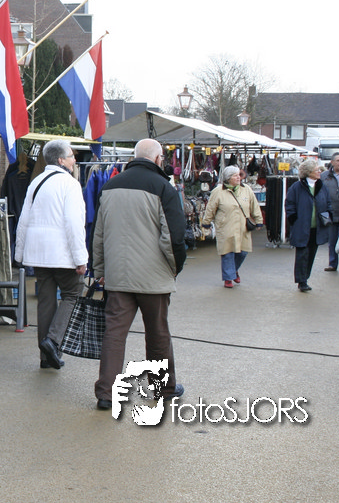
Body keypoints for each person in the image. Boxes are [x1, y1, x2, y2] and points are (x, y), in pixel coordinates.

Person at [93, 138, 186, 410]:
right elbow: (173, 236)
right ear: (157, 159)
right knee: (157, 333)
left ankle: (106, 393)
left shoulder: (110, 186)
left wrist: (100, 269)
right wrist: (174, 267)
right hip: (153, 277)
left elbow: (99, 233)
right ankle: (162, 388)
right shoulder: (164, 188)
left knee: (114, 334)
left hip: (118, 275)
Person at [14, 139, 87, 370]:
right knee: (73, 294)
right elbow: (74, 223)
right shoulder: (70, 184)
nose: (74, 160)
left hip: (38, 253)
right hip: (63, 254)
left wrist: (20, 253)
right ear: (61, 160)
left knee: (46, 300)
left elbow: (23, 220)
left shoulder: (36, 182)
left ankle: (46, 358)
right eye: (72, 156)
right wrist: (81, 259)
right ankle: (53, 342)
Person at [201, 165, 263, 288]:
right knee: (227, 252)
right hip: (225, 227)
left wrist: (258, 220)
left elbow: (254, 206)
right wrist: (206, 223)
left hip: (243, 228)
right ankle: (228, 278)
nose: (238, 177)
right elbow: (210, 208)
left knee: (243, 252)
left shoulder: (246, 189)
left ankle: (233, 270)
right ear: (228, 178)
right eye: (235, 176)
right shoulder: (218, 191)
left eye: (239, 175)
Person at [284, 159, 331, 292]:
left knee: (311, 255)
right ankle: (302, 281)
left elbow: (328, 203)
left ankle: (305, 278)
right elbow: (289, 204)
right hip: (302, 227)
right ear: (308, 172)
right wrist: (293, 219)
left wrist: (328, 216)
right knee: (302, 255)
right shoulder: (296, 187)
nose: (319, 172)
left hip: (317, 228)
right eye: (316, 170)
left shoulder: (322, 187)